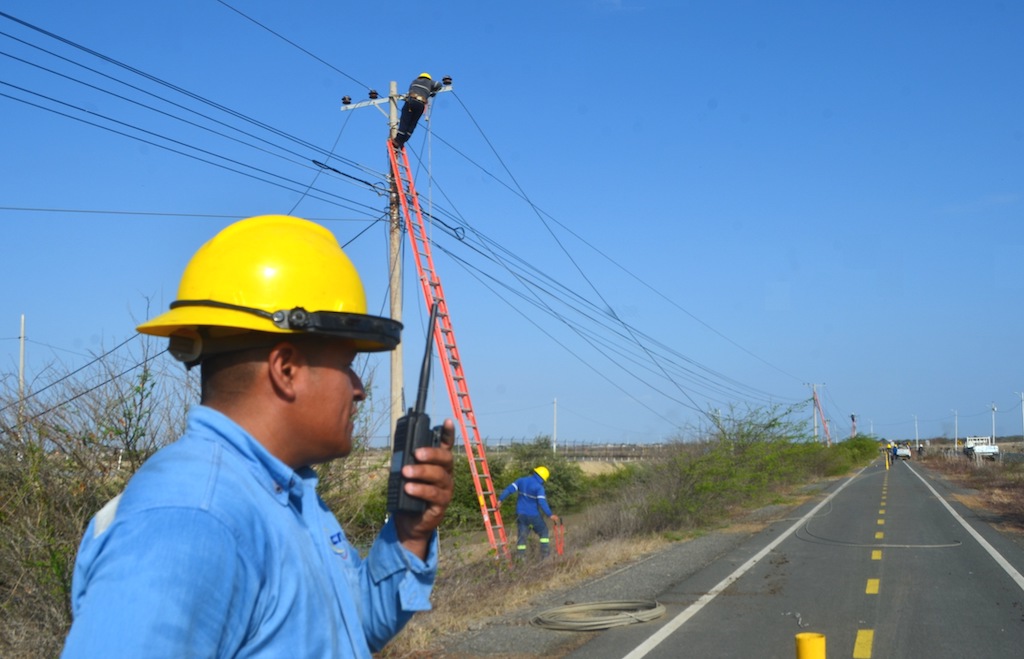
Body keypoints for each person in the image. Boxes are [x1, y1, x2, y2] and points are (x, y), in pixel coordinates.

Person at [62, 215, 455, 658]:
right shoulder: (194, 517)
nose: (360, 388)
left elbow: (346, 632)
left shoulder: (279, 494)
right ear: (285, 369)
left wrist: (410, 535)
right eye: (346, 364)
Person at [497, 466, 560, 559]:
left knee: (522, 538)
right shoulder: (539, 487)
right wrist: (550, 514)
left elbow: (509, 490)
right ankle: (545, 557)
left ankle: (520, 560)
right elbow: (542, 502)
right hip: (533, 515)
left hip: (520, 515)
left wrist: (500, 500)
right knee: (544, 532)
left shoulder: (521, 480)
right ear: (543, 478)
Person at [392, 72, 443, 149]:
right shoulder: (430, 83)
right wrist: (433, 92)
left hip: (411, 102)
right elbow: (439, 85)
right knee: (413, 123)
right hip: (421, 105)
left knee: (405, 120)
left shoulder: (414, 81)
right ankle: (403, 140)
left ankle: (398, 140)